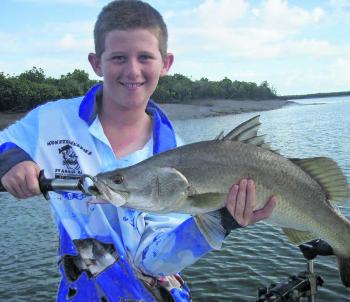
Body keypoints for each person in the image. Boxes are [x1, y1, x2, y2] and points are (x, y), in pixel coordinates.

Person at [0, 1, 276, 301]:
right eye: (118, 57)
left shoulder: (178, 158)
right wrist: (12, 161)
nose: (132, 70)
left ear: (166, 63)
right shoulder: (52, 120)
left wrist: (224, 220)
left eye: (145, 57)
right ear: (96, 62)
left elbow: (153, 261)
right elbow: (6, 141)